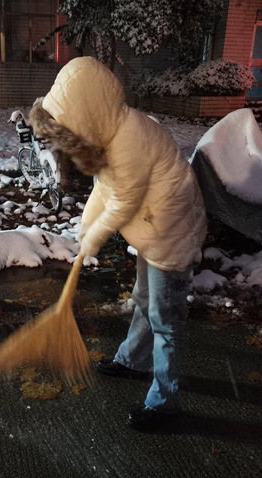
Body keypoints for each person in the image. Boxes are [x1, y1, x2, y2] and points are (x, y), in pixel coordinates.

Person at [29, 56, 207, 431]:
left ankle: (165, 402)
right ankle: (133, 360)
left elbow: (124, 200)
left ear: (87, 112)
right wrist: (85, 228)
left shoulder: (130, 140)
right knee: (144, 300)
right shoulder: (109, 136)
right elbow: (104, 190)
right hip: (152, 231)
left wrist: (95, 237)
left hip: (171, 235)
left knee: (166, 320)